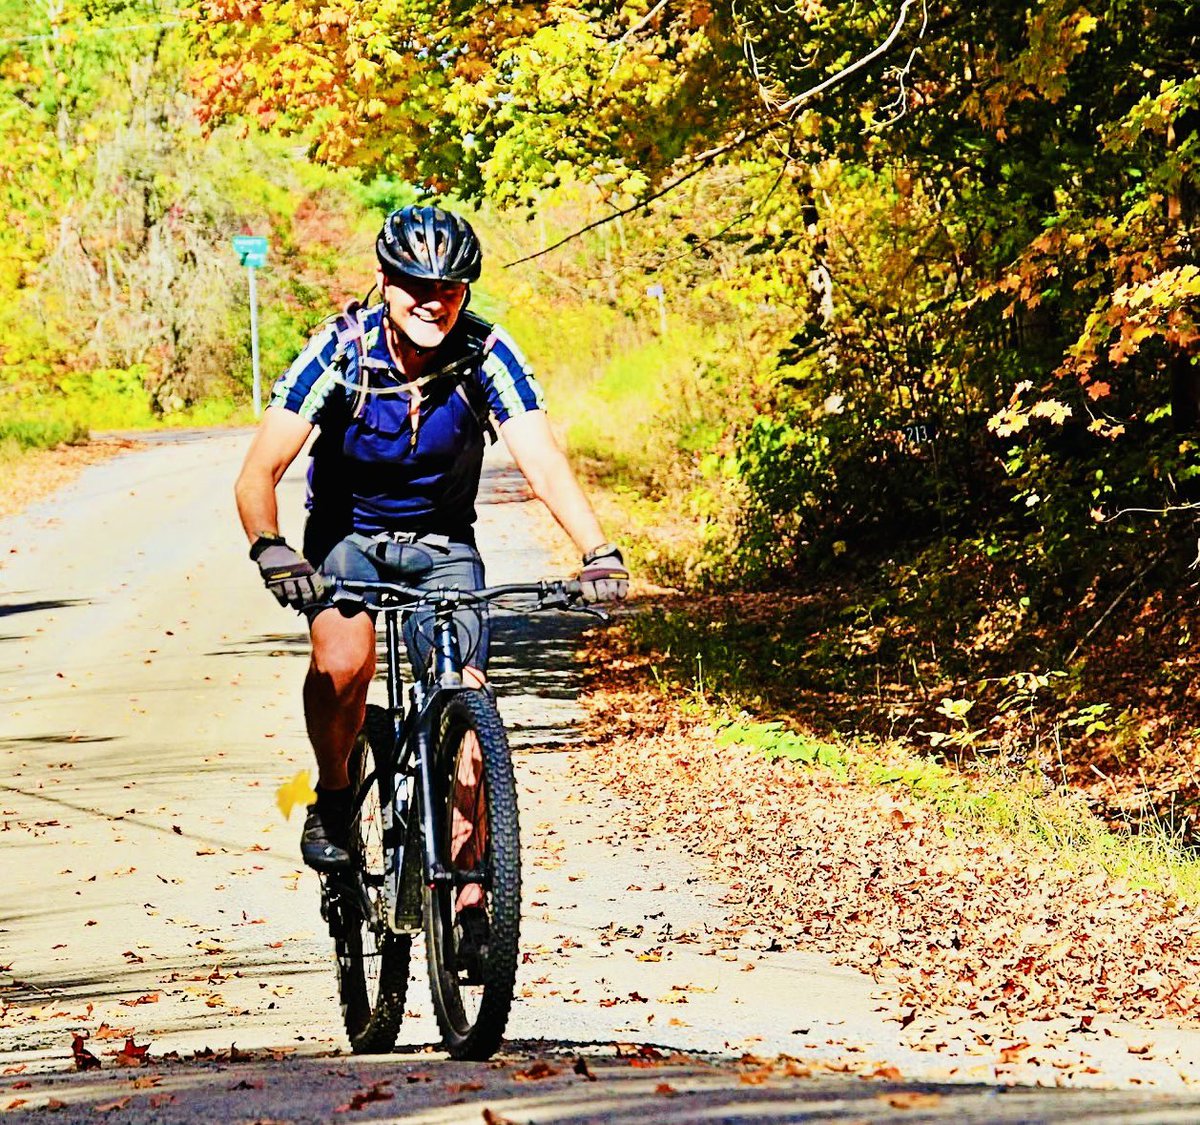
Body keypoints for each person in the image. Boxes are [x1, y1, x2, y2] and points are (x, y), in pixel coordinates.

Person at [234, 204, 628, 879]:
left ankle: (471, 895)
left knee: (468, 705)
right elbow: (258, 473)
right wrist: (271, 546)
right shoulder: (340, 351)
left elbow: (542, 462)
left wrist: (597, 550)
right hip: (346, 538)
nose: (433, 301)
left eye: (449, 288)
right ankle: (332, 798)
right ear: (385, 280)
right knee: (344, 663)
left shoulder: (485, 351)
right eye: (417, 285)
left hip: (445, 545)